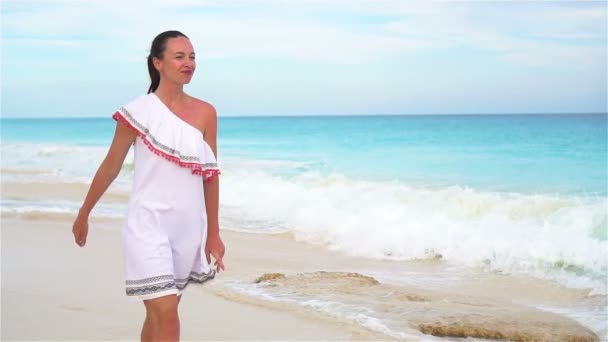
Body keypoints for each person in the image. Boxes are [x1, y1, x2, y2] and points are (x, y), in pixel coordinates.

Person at [71, 30, 225, 341]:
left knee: (158, 315)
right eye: (179, 56)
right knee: (167, 312)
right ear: (158, 62)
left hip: (186, 228)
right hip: (147, 224)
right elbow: (110, 166)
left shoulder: (206, 112)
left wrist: (214, 233)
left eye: (192, 56)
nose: (189, 63)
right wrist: (84, 213)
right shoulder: (137, 112)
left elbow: (210, 175)